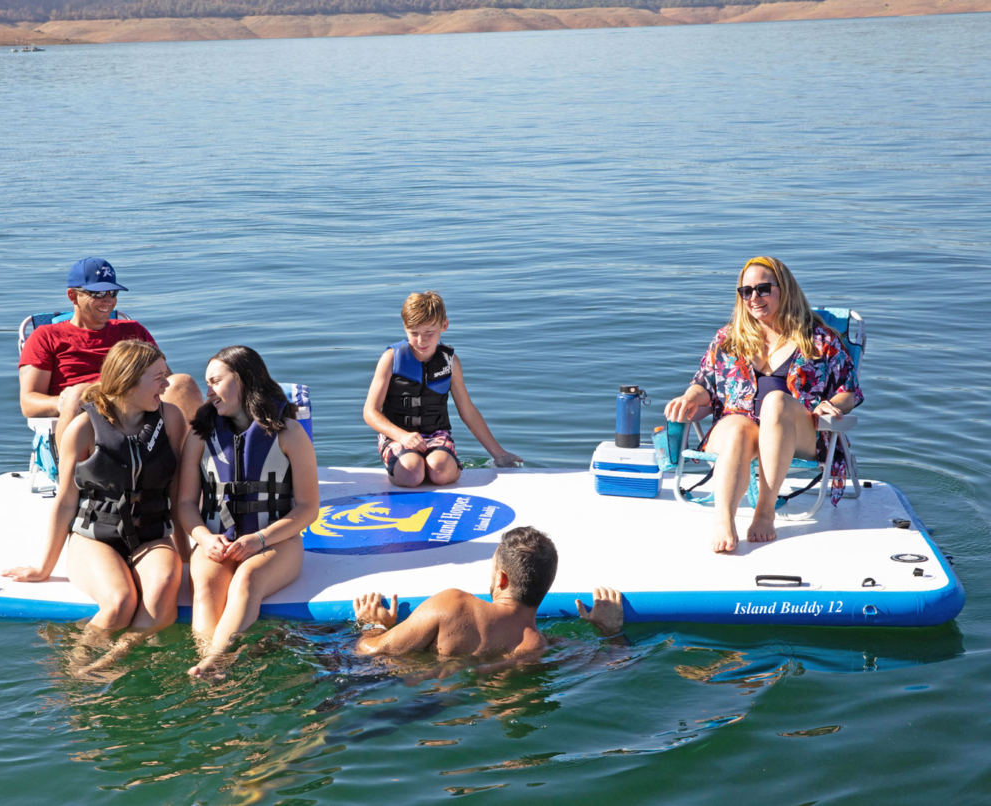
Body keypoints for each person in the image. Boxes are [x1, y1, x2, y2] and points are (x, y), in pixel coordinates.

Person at [4, 340, 187, 674]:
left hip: (151, 534)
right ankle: (75, 670)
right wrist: (44, 568)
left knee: (161, 594)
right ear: (130, 381)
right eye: (158, 377)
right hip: (95, 537)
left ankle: (112, 659)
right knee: (119, 603)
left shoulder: (171, 418)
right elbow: (65, 501)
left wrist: (186, 554)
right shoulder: (83, 429)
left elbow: (177, 492)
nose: (167, 384)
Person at [664, 256, 863, 553]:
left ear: (784, 290)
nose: (754, 298)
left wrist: (830, 405)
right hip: (737, 431)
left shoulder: (819, 339)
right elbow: (704, 384)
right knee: (738, 428)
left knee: (776, 402)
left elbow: (850, 391)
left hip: (796, 433)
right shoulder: (728, 338)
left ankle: (764, 512)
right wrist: (690, 397)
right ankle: (724, 519)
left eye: (763, 289)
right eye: (746, 291)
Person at [177, 346, 320, 679]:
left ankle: (214, 662)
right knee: (208, 589)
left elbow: (308, 507)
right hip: (217, 541)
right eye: (206, 383)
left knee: (247, 580)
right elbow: (185, 503)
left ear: (241, 380)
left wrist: (260, 538)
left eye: (215, 381)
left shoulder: (290, 434)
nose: (208, 391)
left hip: (277, 543)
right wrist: (203, 537)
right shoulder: (200, 435)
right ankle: (212, 664)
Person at [353, 526, 625, 662]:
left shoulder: (453, 606)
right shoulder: (542, 648)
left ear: (501, 578)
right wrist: (612, 630)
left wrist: (372, 625)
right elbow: (618, 664)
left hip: (387, 696)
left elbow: (368, 653)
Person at [18, 257, 203, 450]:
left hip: (140, 408)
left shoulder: (133, 331)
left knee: (182, 384)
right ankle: (72, 475)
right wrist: (63, 400)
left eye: (112, 292)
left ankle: (196, 463)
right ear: (72, 296)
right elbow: (28, 403)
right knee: (79, 393)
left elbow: (166, 378)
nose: (108, 300)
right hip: (88, 415)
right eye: (97, 293)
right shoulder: (46, 336)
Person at [363, 291, 522, 487]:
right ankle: (410, 465)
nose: (421, 341)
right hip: (397, 435)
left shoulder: (450, 363)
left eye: (429, 333)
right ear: (405, 328)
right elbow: (370, 412)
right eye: (414, 333)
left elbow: (468, 411)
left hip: (436, 434)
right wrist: (402, 436)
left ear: (444, 326)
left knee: (440, 472)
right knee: (411, 474)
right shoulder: (391, 359)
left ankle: (440, 462)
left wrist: (499, 454)